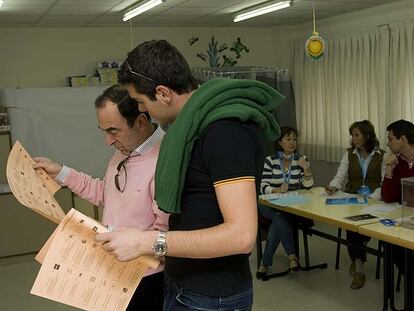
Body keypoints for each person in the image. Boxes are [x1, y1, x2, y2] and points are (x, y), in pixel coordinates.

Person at [95, 39, 284, 311]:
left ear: (162, 93)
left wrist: (144, 241)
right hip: (184, 283)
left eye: (139, 101)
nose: (140, 110)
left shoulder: (225, 132)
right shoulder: (188, 128)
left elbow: (241, 236)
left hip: (211, 296)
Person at [33, 84, 169, 311]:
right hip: (113, 268)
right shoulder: (126, 149)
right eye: (104, 130)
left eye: (113, 131)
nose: (108, 141)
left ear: (141, 122)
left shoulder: (163, 163)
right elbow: (105, 193)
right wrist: (61, 172)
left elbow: (166, 237)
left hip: (144, 279)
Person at [325, 120, 385, 289]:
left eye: (356, 135)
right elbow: (340, 176)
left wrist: (373, 197)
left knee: (366, 227)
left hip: (375, 200)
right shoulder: (349, 154)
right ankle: (359, 268)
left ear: (367, 136)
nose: (353, 138)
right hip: (352, 198)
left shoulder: (382, 155)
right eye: (352, 135)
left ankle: (359, 251)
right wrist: (333, 186)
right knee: (352, 228)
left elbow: (383, 183)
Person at [257, 126, 314, 276]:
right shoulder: (270, 160)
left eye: (294, 139)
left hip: (292, 204)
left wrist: (306, 169)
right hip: (269, 203)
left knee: (279, 218)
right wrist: (275, 190)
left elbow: (308, 186)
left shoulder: (302, 159)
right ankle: (292, 256)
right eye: (288, 139)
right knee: (278, 215)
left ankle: (265, 262)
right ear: (280, 142)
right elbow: (262, 186)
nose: (292, 142)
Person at [381, 119, 414, 273]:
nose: (387, 143)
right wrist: (389, 173)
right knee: (391, 243)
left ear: (403, 139)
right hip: (405, 219)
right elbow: (388, 197)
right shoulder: (395, 162)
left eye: (390, 138)